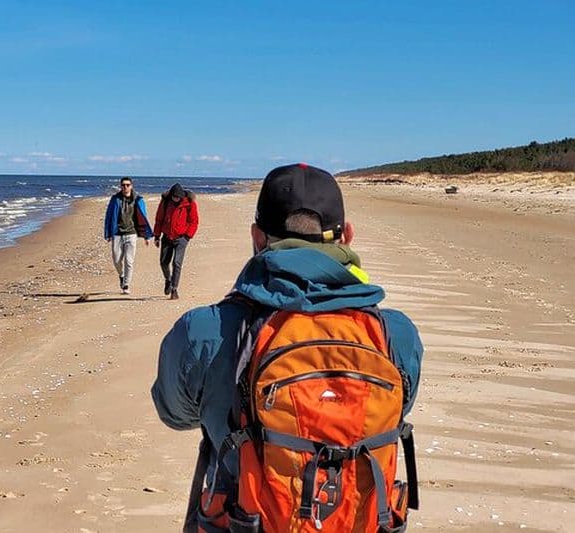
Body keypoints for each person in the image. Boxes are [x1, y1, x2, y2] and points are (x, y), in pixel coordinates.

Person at [151, 163, 423, 532]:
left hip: (242, 520)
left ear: (257, 237)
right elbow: (392, 410)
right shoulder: (394, 333)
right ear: (347, 237)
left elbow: (174, 414)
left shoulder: (203, 329)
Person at [103, 177, 153, 294]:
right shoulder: (115, 199)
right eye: (123, 185)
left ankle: (126, 285)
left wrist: (146, 236)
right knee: (116, 260)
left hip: (131, 233)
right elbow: (109, 216)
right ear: (120, 186)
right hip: (117, 234)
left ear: (131, 186)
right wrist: (108, 233)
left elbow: (143, 217)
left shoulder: (138, 200)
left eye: (127, 185)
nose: (125, 187)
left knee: (129, 261)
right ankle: (121, 275)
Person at [153, 183, 199, 300]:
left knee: (177, 263)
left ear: (182, 196)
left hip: (181, 238)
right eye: (174, 197)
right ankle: (168, 280)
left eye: (178, 197)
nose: (176, 199)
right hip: (167, 237)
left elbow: (194, 221)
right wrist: (157, 236)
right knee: (164, 262)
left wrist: (187, 236)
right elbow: (159, 219)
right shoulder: (165, 202)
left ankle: (174, 289)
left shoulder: (189, 203)